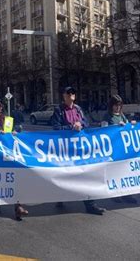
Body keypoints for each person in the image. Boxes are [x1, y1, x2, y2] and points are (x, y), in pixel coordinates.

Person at [51, 86, 106, 215]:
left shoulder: (78, 109)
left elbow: (86, 122)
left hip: (79, 149)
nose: (70, 95)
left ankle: (90, 204)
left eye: (72, 93)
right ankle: (59, 197)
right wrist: (71, 127)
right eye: (68, 93)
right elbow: (56, 128)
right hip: (65, 149)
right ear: (64, 96)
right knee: (64, 175)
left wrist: (81, 124)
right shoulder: (59, 110)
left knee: (84, 174)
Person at [0, 98, 29, 221]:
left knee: (15, 181)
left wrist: (14, 133)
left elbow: (18, 133)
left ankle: (18, 207)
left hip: (10, 155)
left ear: (1, 107)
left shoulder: (10, 120)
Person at [102, 94, 137, 204]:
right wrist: (116, 127)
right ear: (111, 105)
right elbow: (103, 130)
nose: (117, 107)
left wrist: (131, 124)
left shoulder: (122, 115)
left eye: (119, 105)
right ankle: (115, 193)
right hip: (113, 148)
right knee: (115, 172)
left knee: (125, 171)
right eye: (115, 105)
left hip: (123, 148)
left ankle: (126, 193)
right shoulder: (107, 116)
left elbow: (127, 127)